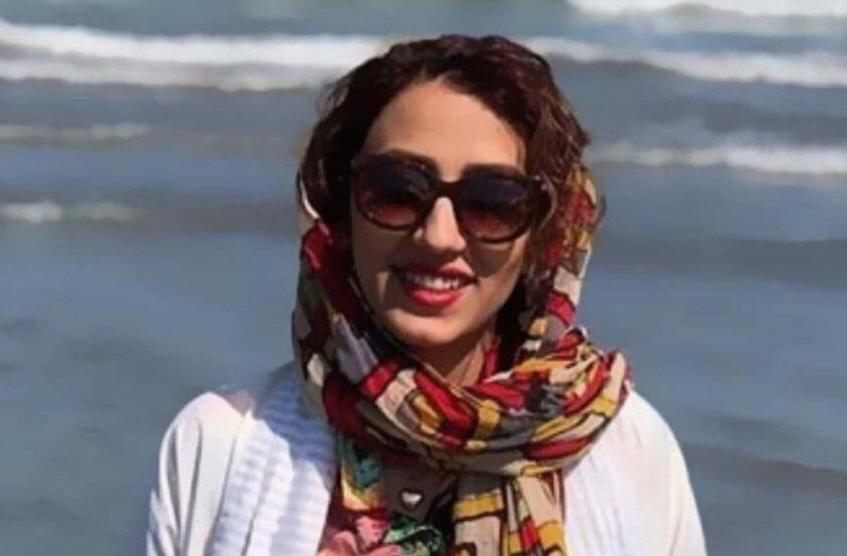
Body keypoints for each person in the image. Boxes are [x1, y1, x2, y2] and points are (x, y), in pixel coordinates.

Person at [147, 35, 706, 556]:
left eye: (491, 203)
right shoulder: (219, 445)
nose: (439, 236)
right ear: (341, 211)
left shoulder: (628, 451)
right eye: (396, 192)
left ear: (546, 235)